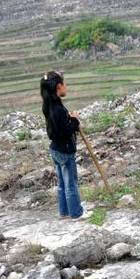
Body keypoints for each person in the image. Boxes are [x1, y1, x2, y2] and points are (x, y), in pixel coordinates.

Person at [40, 71, 84, 219]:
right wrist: (75, 120)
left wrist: (68, 119)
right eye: (64, 84)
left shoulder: (49, 105)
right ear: (59, 86)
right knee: (71, 184)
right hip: (65, 151)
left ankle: (64, 212)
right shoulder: (58, 109)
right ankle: (76, 214)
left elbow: (58, 128)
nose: (66, 87)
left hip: (55, 149)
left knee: (62, 184)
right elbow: (65, 131)